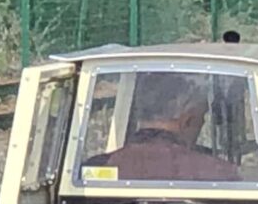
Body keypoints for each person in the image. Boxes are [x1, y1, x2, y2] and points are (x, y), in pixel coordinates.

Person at [89, 73, 239, 182]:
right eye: (202, 117)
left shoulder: (92, 171)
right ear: (187, 120)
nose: (202, 123)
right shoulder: (218, 174)